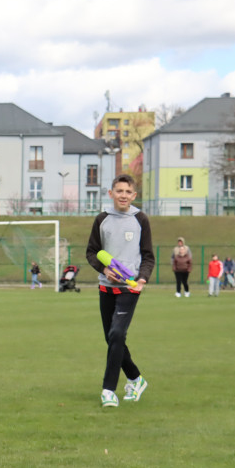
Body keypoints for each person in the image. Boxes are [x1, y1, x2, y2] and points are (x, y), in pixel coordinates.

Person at [85, 173, 154, 408]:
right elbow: (92, 252)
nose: (123, 195)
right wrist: (104, 269)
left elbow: (148, 256)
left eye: (128, 192)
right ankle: (135, 379)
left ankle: (108, 390)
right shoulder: (101, 219)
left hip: (130, 288)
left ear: (134, 195)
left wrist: (142, 278)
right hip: (106, 287)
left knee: (116, 335)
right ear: (111, 193)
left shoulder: (140, 219)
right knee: (111, 338)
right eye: (119, 191)